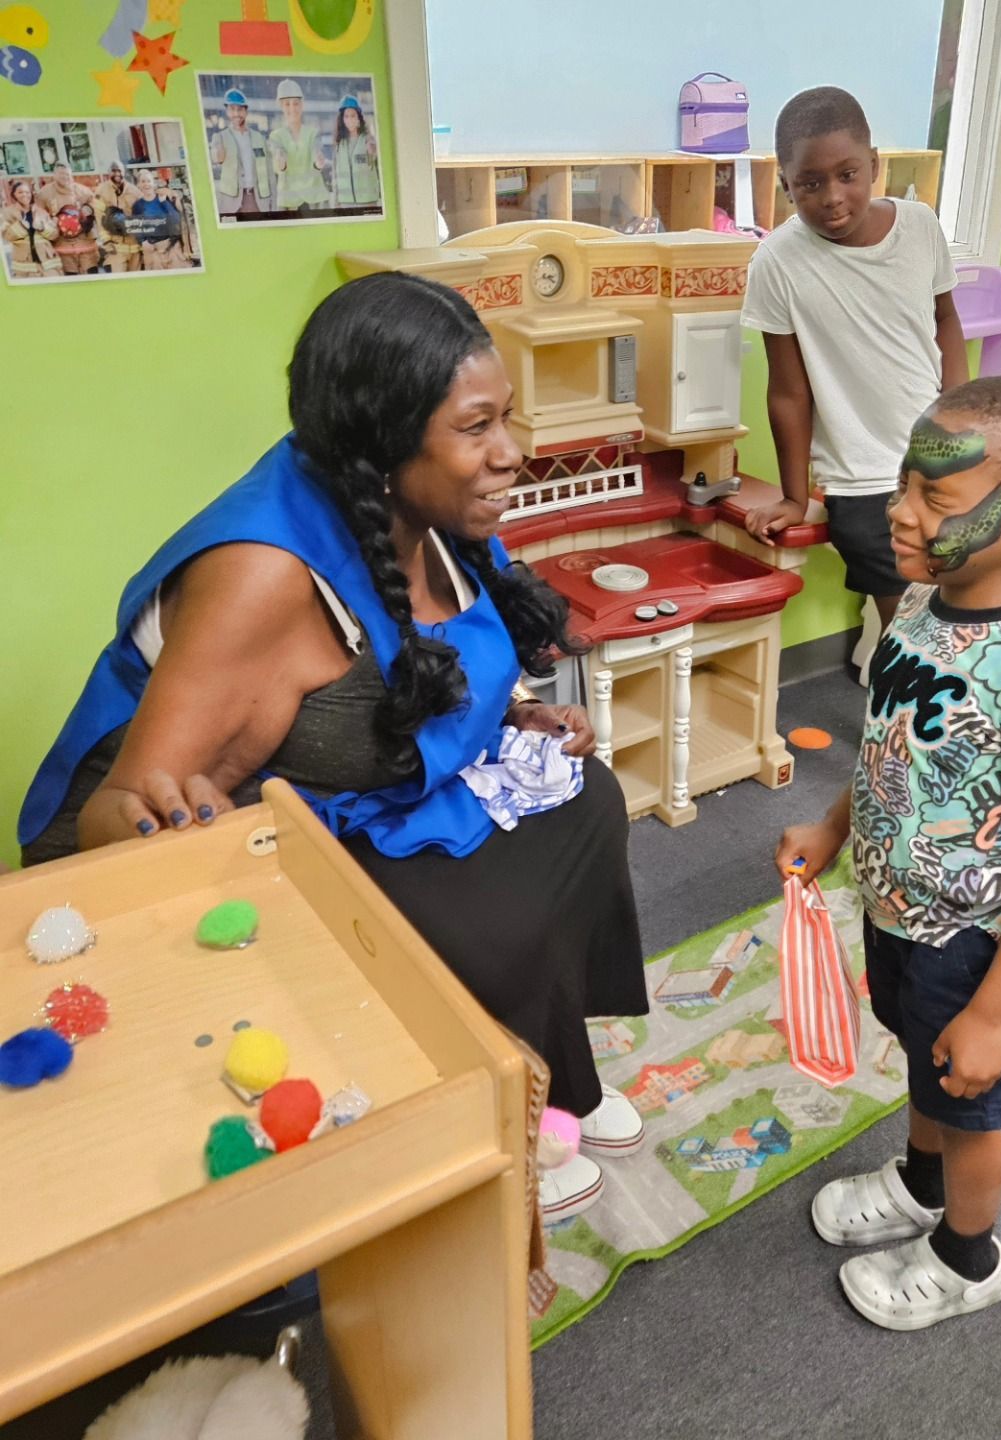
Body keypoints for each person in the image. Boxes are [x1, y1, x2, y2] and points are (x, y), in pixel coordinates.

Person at [20, 272, 650, 1218]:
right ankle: (494, 1112)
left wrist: (515, 712)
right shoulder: (261, 579)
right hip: (247, 841)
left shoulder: (432, 513)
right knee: (493, 916)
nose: (510, 454)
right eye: (477, 428)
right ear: (387, 442)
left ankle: (557, 1081)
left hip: (357, 789)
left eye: (504, 420)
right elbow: (118, 821)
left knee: (588, 798)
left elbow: (440, 656)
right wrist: (169, 828)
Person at [773, 377, 1001, 1331]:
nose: (899, 514)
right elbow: (890, 745)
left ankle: (967, 1255)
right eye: (904, 486)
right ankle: (919, 1186)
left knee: (972, 1104)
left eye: (936, 501)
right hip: (893, 909)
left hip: (971, 940)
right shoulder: (918, 607)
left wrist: (996, 1008)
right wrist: (834, 829)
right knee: (926, 1063)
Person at [741, 87, 969, 636]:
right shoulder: (777, 262)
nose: (833, 197)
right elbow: (789, 393)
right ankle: (902, 720)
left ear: (874, 165)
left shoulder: (919, 228)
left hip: (941, 456)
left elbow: (945, 321)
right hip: (862, 481)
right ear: (786, 184)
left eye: (848, 175)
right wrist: (796, 496)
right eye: (810, 184)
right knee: (910, 635)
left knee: (964, 612)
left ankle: (949, 719)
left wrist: (962, 416)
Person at [210, 87, 274, 217]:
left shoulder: (259, 138)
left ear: (246, 111)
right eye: (232, 109)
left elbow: (269, 171)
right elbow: (217, 158)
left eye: (239, 109)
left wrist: (272, 202)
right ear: (227, 111)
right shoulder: (220, 137)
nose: (236, 114)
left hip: (256, 200)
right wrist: (218, 150)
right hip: (230, 201)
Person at [269, 78, 328, 212]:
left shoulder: (313, 133)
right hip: (289, 203)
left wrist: (318, 162)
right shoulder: (276, 136)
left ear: (302, 105)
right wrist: (281, 162)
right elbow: (279, 165)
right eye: (287, 104)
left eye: (296, 103)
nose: (292, 108)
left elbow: (316, 153)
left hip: (314, 201)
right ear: (281, 106)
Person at [36, 162, 99, 275]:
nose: (65, 177)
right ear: (54, 175)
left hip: (85, 243)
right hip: (61, 244)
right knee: (70, 278)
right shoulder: (44, 194)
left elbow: (97, 208)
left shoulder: (83, 191)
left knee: (92, 277)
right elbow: (39, 217)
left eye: (67, 174)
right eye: (61, 174)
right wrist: (49, 223)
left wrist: (89, 209)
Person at [0, 178, 62, 279]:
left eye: (27, 192)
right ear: (14, 194)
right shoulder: (8, 213)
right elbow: (6, 236)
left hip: (48, 264)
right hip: (25, 267)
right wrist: (21, 226)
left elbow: (54, 235)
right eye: (20, 192)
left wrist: (42, 228)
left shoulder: (41, 212)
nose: (24, 195)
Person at [128, 169, 187, 270]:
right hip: (153, 250)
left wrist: (164, 202)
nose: (146, 184)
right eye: (143, 181)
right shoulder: (137, 206)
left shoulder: (163, 198)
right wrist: (143, 242)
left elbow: (175, 219)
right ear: (138, 185)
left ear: (153, 183)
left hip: (170, 246)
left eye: (148, 181)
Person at [331, 94, 380, 208]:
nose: (349, 120)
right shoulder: (339, 144)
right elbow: (335, 177)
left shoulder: (368, 140)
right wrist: (336, 204)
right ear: (342, 119)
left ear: (359, 117)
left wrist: (373, 150)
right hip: (345, 204)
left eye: (353, 115)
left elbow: (377, 161)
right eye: (346, 116)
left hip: (368, 203)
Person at [93, 162, 141, 272]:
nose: (117, 173)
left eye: (120, 171)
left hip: (134, 245)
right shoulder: (101, 190)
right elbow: (99, 218)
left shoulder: (134, 191)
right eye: (114, 171)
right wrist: (106, 241)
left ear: (124, 172)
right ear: (108, 173)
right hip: (115, 246)